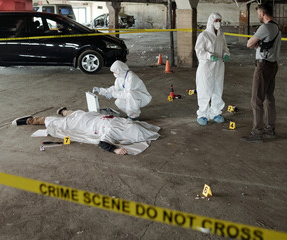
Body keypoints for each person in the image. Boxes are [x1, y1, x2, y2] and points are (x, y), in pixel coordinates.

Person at [12, 107, 160, 155]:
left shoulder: (124, 121)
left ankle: (63, 110)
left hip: (93, 117)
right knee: (62, 123)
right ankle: (30, 120)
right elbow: (102, 144)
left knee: (77, 113)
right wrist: (115, 150)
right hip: (86, 123)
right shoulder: (114, 131)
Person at [241, 2, 281, 143]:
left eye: (258, 13)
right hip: (272, 65)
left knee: (256, 100)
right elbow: (263, 44)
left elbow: (249, 43)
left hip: (263, 66)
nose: (258, 16)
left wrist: (254, 42)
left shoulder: (265, 27)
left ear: (263, 13)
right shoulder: (276, 27)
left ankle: (257, 133)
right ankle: (270, 130)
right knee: (269, 98)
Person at [195, 12, 230, 126]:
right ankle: (203, 115)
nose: (218, 23)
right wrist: (210, 56)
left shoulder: (221, 35)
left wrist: (226, 54)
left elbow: (225, 47)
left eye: (220, 20)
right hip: (207, 67)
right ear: (211, 22)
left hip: (219, 66)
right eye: (216, 21)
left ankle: (215, 112)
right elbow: (199, 51)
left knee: (217, 89)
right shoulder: (204, 35)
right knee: (205, 90)